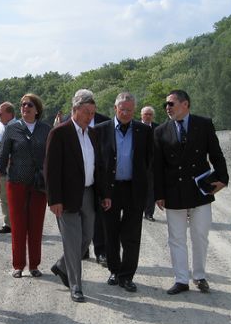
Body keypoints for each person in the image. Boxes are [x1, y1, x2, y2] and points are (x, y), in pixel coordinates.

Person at [154, 90, 228, 295]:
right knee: (176, 237)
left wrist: (223, 178)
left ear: (185, 104)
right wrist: (158, 193)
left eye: (171, 103)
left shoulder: (203, 124)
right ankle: (181, 279)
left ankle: (200, 275)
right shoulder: (160, 131)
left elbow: (216, 153)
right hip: (173, 190)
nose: (167, 108)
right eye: (165, 105)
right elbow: (157, 166)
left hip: (200, 189)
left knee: (200, 235)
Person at [45, 90, 109, 302]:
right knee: (72, 242)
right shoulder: (59, 133)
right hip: (66, 196)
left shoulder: (93, 134)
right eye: (87, 112)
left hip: (89, 193)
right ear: (75, 110)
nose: (90, 116)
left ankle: (62, 265)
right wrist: (54, 199)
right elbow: (51, 169)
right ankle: (76, 286)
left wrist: (104, 193)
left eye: (93, 113)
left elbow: (98, 166)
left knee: (87, 237)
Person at [96, 93, 153, 291]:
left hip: (134, 189)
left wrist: (149, 191)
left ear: (134, 110)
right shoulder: (100, 130)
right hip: (110, 190)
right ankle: (114, 270)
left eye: (129, 110)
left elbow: (150, 162)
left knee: (131, 235)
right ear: (115, 109)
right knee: (110, 233)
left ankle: (127, 276)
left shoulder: (144, 131)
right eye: (122, 110)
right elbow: (97, 164)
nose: (126, 113)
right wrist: (102, 192)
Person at [0, 94, 51, 278]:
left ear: (37, 109)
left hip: (38, 184)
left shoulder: (45, 129)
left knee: (36, 225)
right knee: (18, 225)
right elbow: (3, 155)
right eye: (23, 104)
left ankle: (34, 265)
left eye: (29, 105)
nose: (25, 107)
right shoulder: (12, 128)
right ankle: (18, 265)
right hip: (16, 182)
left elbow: (51, 157)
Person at [0, 102, 17, 234]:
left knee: (16, 197)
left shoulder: (19, 126)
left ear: (10, 113)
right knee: (3, 197)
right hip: (1, 167)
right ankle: (8, 224)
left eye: (1, 113)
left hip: (15, 168)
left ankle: (18, 223)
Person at [140, 105, 158, 221]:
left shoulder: (158, 128)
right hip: (137, 164)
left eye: (150, 114)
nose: (148, 116)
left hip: (152, 164)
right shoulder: (134, 126)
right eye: (146, 114)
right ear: (141, 115)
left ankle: (149, 213)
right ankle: (137, 211)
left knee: (151, 190)